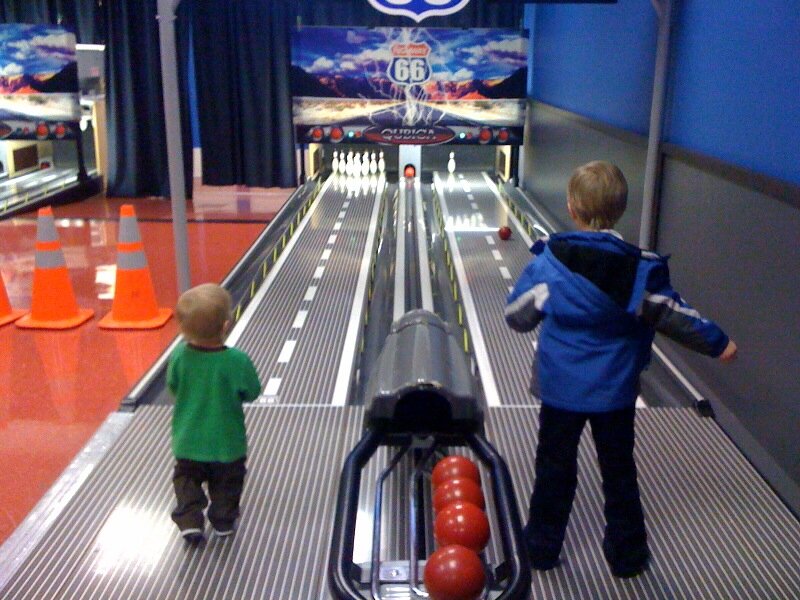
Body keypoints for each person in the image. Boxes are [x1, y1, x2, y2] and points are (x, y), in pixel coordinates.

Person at [505, 161, 737, 578]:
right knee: (618, 471)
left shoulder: (549, 262)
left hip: (560, 390)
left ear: (572, 206)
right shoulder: (639, 270)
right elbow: (674, 315)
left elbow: (516, 316)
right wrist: (719, 342)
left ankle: (541, 548)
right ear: (620, 209)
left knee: (554, 467)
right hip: (614, 391)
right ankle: (627, 556)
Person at [167, 283, 262, 544]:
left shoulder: (179, 356)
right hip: (227, 444)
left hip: (188, 441)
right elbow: (252, 392)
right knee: (227, 483)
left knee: (186, 480)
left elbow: (173, 387)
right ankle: (223, 521)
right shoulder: (237, 360)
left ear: (182, 328)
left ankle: (189, 521)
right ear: (225, 325)